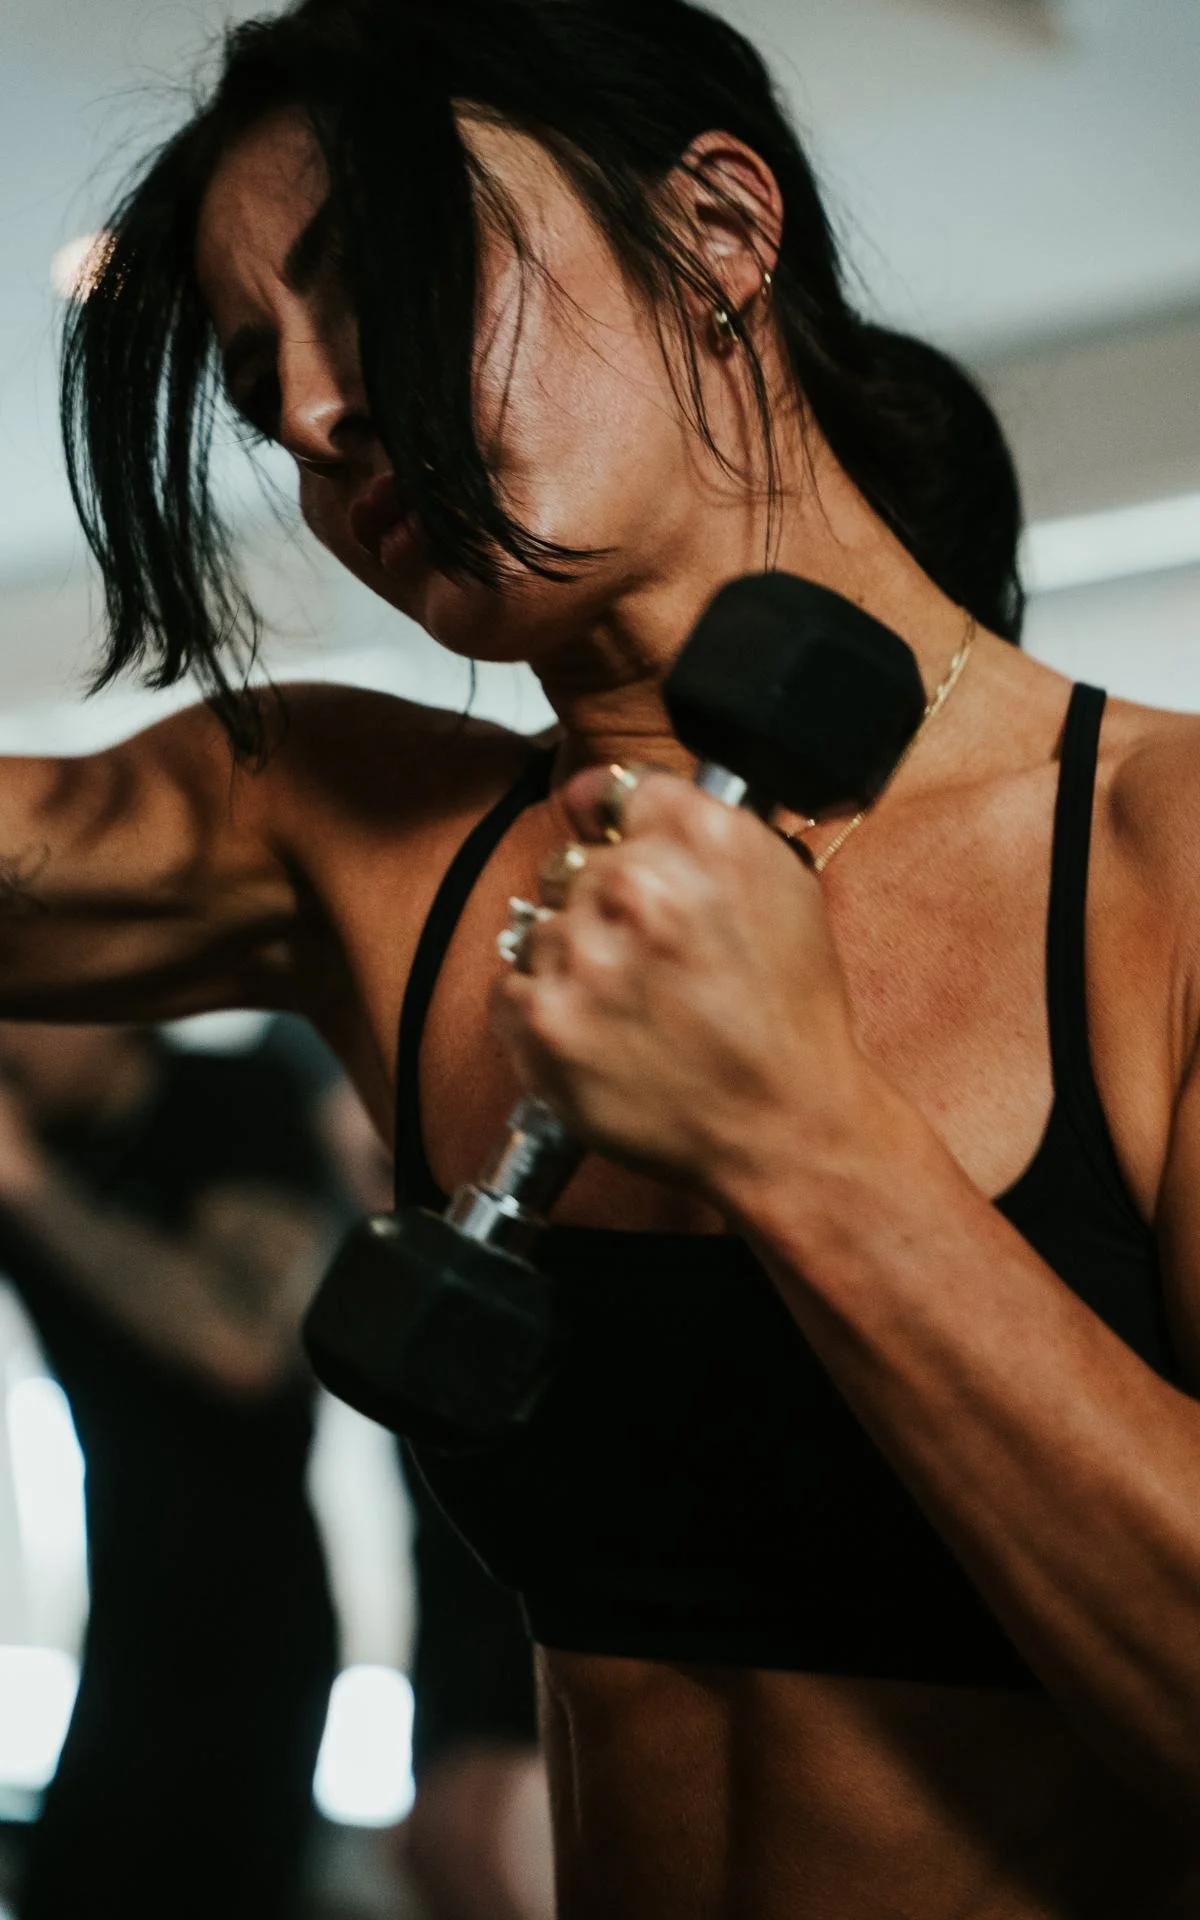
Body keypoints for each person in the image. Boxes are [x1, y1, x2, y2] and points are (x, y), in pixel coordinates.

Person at [0, 0, 1192, 1910]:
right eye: (256, 383)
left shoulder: (1163, 863)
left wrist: (807, 1140)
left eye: (378, 274)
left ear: (721, 231)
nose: (314, 409)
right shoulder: (357, 835)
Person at [0, 1021, 339, 1920]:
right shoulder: (38, 1138)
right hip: (124, 1613)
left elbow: (242, 1348)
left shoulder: (233, 1097)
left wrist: (30, 1186)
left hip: (258, 1620)